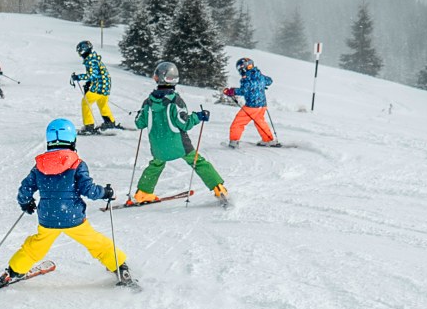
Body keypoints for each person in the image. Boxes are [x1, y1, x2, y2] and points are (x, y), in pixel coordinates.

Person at [0, 118, 132, 291]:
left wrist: (25, 202)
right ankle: (121, 268)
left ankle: (14, 271)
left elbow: (25, 188)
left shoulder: (39, 166)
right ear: (72, 140)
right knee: (96, 243)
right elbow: (88, 190)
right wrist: (105, 193)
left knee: (35, 247)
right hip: (73, 217)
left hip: (48, 218)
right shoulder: (77, 163)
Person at [130, 61, 228, 204]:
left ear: (159, 78)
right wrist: (198, 116)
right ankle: (219, 189)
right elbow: (184, 123)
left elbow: (139, 123)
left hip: (158, 145)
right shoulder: (176, 101)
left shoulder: (148, 102)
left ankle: (142, 193)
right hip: (178, 144)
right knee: (198, 162)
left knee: (156, 165)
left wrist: (141, 113)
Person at [70, 40, 122, 134]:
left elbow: (92, 75)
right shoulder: (93, 59)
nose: (79, 54)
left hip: (100, 86)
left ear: (83, 51)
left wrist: (78, 77)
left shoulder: (91, 61)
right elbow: (96, 75)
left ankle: (89, 126)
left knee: (85, 102)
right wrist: (89, 83)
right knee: (102, 104)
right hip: (105, 86)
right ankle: (110, 122)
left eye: (79, 52)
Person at [224, 57, 277, 147]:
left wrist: (231, 91)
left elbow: (244, 90)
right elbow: (269, 81)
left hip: (252, 106)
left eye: (240, 68)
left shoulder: (247, 78)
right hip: (262, 105)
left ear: (243, 67)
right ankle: (268, 140)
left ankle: (234, 141)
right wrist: (260, 85)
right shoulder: (259, 75)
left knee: (238, 122)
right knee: (259, 121)